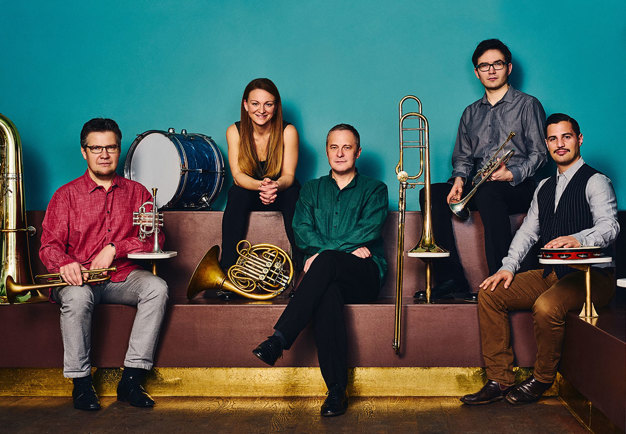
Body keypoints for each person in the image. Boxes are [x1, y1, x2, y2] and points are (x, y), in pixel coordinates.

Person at [461, 113, 619, 405]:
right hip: (551, 275)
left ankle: (543, 378)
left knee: (545, 306)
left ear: (579, 139)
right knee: (490, 293)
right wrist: (507, 268)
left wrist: (579, 239)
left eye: (566, 137)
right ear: (546, 144)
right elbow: (527, 233)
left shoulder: (596, 181)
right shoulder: (543, 187)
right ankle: (499, 379)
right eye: (553, 139)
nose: (560, 144)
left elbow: (610, 226)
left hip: (590, 277)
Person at [252, 124, 388, 417]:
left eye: (347, 147)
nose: (340, 153)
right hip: (329, 277)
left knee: (324, 262)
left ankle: (280, 338)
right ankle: (336, 391)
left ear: (358, 152)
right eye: (334, 147)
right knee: (327, 295)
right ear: (327, 151)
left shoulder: (375, 189)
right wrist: (337, 252)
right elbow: (300, 231)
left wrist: (323, 255)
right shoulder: (311, 189)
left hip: (364, 274)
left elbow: (370, 228)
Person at [39, 118, 169, 411]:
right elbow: (49, 246)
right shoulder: (65, 196)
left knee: (156, 288)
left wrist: (115, 247)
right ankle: (82, 384)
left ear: (119, 149)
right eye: (96, 148)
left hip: (120, 276)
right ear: (84, 152)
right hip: (78, 280)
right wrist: (65, 264)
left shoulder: (139, 193)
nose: (104, 154)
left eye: (110, 147)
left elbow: (155, 238)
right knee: (76, 297)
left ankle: (131, 381)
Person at [419, 38, 547, 301]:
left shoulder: (527, 105)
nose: (491, 70)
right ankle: (451, 279)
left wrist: (512, 173)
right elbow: (464, 157)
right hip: (481, 183)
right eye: (484, 66)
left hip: (517, 186)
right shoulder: (470, 113)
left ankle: (499, 280)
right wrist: (458, 180)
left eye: (497, 64)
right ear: (476, 72)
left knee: (489, 192)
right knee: (430, 193)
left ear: (508, 68)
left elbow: (540, 153)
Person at [221, 78, 301, 273]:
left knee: (293, 194)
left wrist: (274, 186)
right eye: (255, 103)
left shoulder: (288, 131)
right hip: (250, 190)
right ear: (246, 105)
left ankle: (301, 270)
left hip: (280, 190)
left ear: (276, 107)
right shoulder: (234, 131)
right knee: (236, 194)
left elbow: (289, 175)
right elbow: (238, 175)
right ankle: (227, 270)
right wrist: (261, 186)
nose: (261, 110)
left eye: (268, 104)